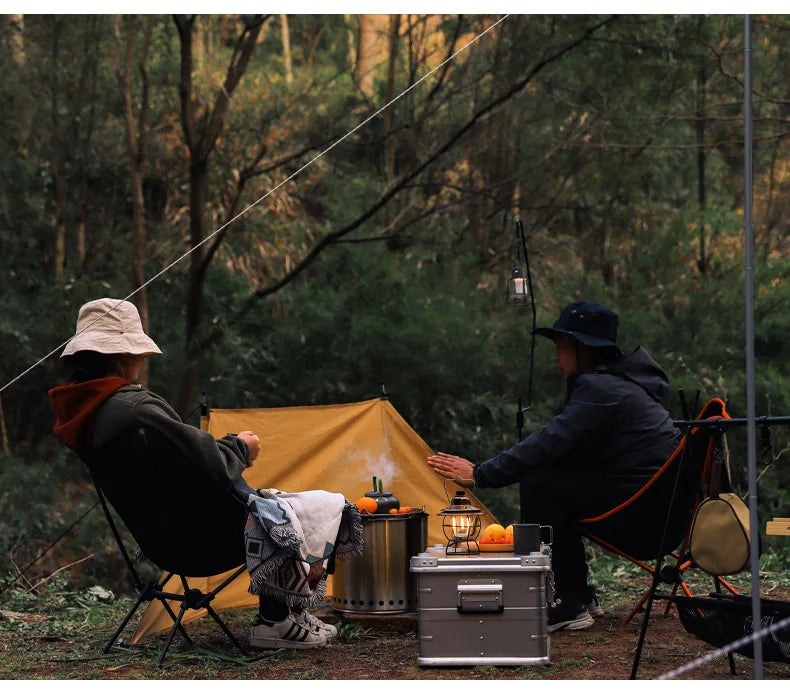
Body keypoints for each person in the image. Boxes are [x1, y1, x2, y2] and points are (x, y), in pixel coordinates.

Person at [48, 297, 337, 649]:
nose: (142, 358)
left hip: (162, 545)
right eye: (136, 350)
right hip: (208, 541)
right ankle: (276, 621)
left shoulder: (88, 416)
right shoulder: (134, 409)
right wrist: (241, 447)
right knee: (305, 508)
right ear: (121, 356)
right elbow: (211, 463)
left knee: (269, 503)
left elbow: (184, 466)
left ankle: (289, 616)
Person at [427, 300, 681, 633]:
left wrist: (480, 473)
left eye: (561, 346)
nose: (555, 357)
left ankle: (565, 601)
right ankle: (577, 595)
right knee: (554, 478)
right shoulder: (620, 386)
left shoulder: (602, 389)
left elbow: (547, 443)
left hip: (643, 519)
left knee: (539, 481)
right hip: (661, 514)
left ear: (583, 349)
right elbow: (566, 447)